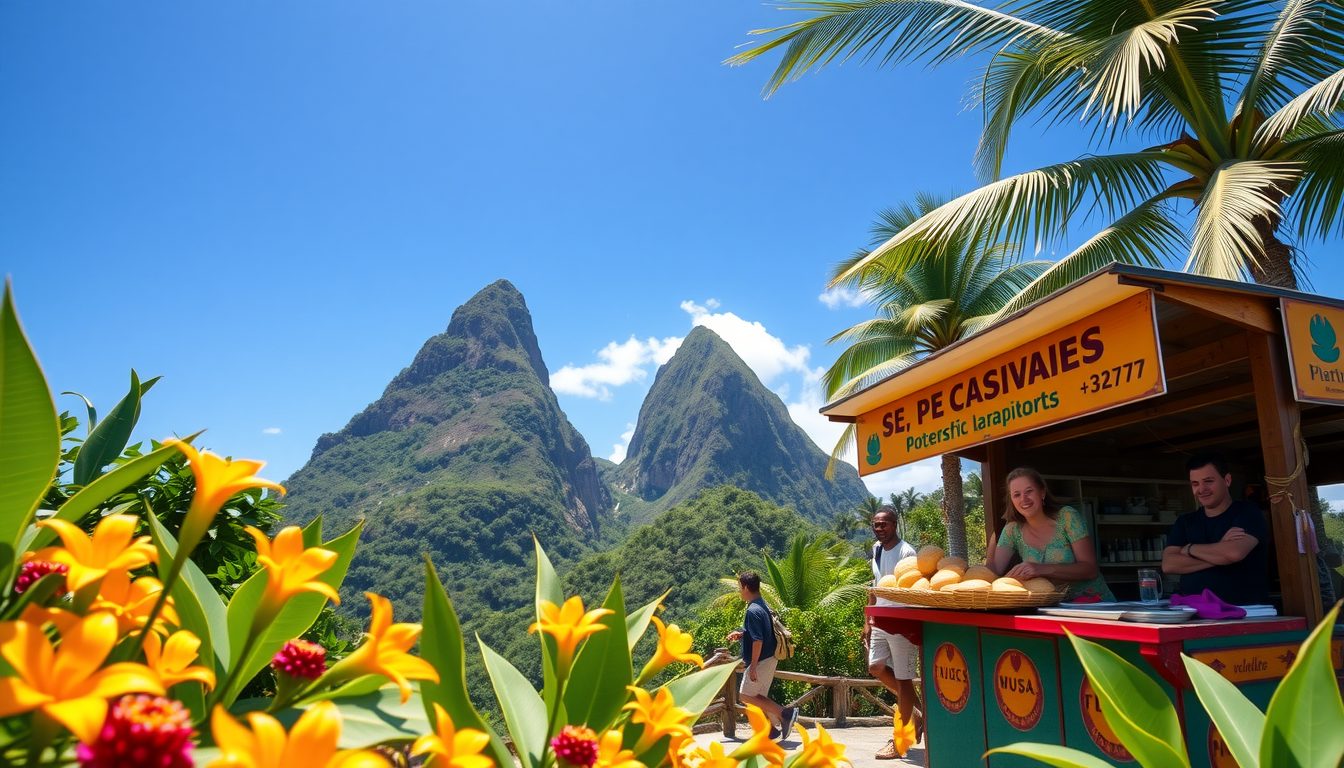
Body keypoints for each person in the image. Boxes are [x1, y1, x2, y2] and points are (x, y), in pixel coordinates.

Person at [989, 468, 1114, 601]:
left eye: (1029, 491)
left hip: (1096, 606)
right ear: (1012, 501)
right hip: (1053, 610)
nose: (1024, 499)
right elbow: (994, 569)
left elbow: (1090, 569)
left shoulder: (1067, 517)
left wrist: (1040, 569)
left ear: (1042, 493)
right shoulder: (1012, 530)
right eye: (1016, 495)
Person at [1161, 453, 1269, 605]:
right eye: (1195, 483)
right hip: (1193, 613)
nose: (1201, 489)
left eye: (1208, 481)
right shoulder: (1185, 521)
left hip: (1244, 612)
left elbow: (1234, 553)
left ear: (1227, 480)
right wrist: (1220, 555)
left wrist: (1190, 549)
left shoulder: (1247, 513)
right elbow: (1169, 564)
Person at [865, 507, 922, 760]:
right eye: (876, 524)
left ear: (895, 524)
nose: (880, 528)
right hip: (880, 619)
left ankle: (901, 739)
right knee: (876, 667)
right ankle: (919, 713)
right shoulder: (876, 550)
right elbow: (875, 587)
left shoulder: (906, 553)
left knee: (904, 679)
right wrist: (868, 620)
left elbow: (913, 588)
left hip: (902, 621)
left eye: (884, 524)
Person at [726, 572, 797, 739]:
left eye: (740, 588)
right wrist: (742, 634)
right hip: (769, 658)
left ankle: (786, 713)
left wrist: (754, 666)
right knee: (757, 697)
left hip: (761, 660)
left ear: (745, 587)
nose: (739, 592)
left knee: (745, 695)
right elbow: (761, 633)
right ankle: (770, 730)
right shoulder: (762, 605)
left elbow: (758, 641)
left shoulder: (752, 610)